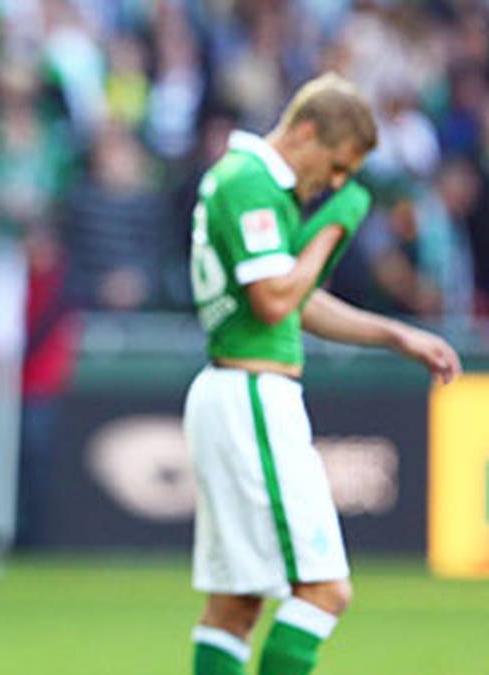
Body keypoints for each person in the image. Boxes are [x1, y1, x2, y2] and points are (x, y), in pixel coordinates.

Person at [183, 72, 462, 675]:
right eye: (337, 166)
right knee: (324, 590)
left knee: (235, 605)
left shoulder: (247, 181)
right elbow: (276, 300)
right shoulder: (252, 181)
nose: (335, 183)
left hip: (233, 390)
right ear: (306, 132)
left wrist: (395, 335)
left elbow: (294, 299)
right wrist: (336, 225)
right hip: (252, 394)